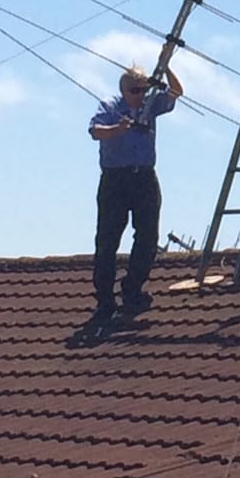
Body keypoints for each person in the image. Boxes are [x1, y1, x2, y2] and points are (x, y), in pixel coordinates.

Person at [87, 50, 182, 322]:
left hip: (144, 177)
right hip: (116, 179)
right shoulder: (110, 105)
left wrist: (165, 70)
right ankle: (105, 297)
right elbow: (95, 132)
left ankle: (133, 289)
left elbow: (177, 92)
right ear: (125, 90)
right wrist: (119, 128)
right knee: (108, 239)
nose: (141, 95)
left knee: (148, 235)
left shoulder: (149, 105)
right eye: (136, 90)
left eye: (144, 89)